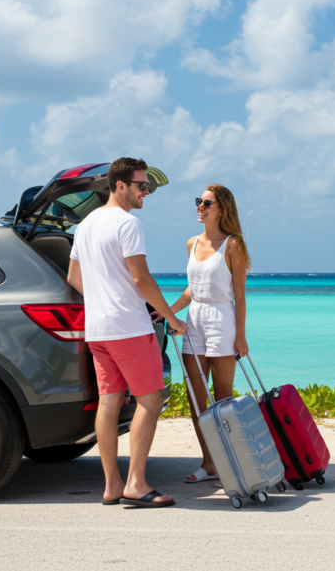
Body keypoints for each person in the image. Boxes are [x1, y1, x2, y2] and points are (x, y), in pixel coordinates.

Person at [67, 157, 188, 508]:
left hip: (99, 330)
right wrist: (173, 319)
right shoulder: (127, 223)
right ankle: (135, 483)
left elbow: (75, 278)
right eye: (140, 185)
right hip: (128, 328)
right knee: (150, 401)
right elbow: (141, 279)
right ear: (120, 185)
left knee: (109, 401)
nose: (146, 192)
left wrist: (104, 299)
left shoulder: (86, 225)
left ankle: (112, 486)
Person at [165, 184, 252, 484]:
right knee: (195, 397)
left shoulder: (232, 245)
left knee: (223, 398)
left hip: (222, 320)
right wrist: (168, 312)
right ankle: (209, 463)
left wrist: (241, 336)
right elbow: (193, 289)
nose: (200, 207)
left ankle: (231, 460)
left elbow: (239, 295)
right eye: (198, 201)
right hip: (194, 321)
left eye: (207, 203)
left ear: (222, 209)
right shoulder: (191, 243)